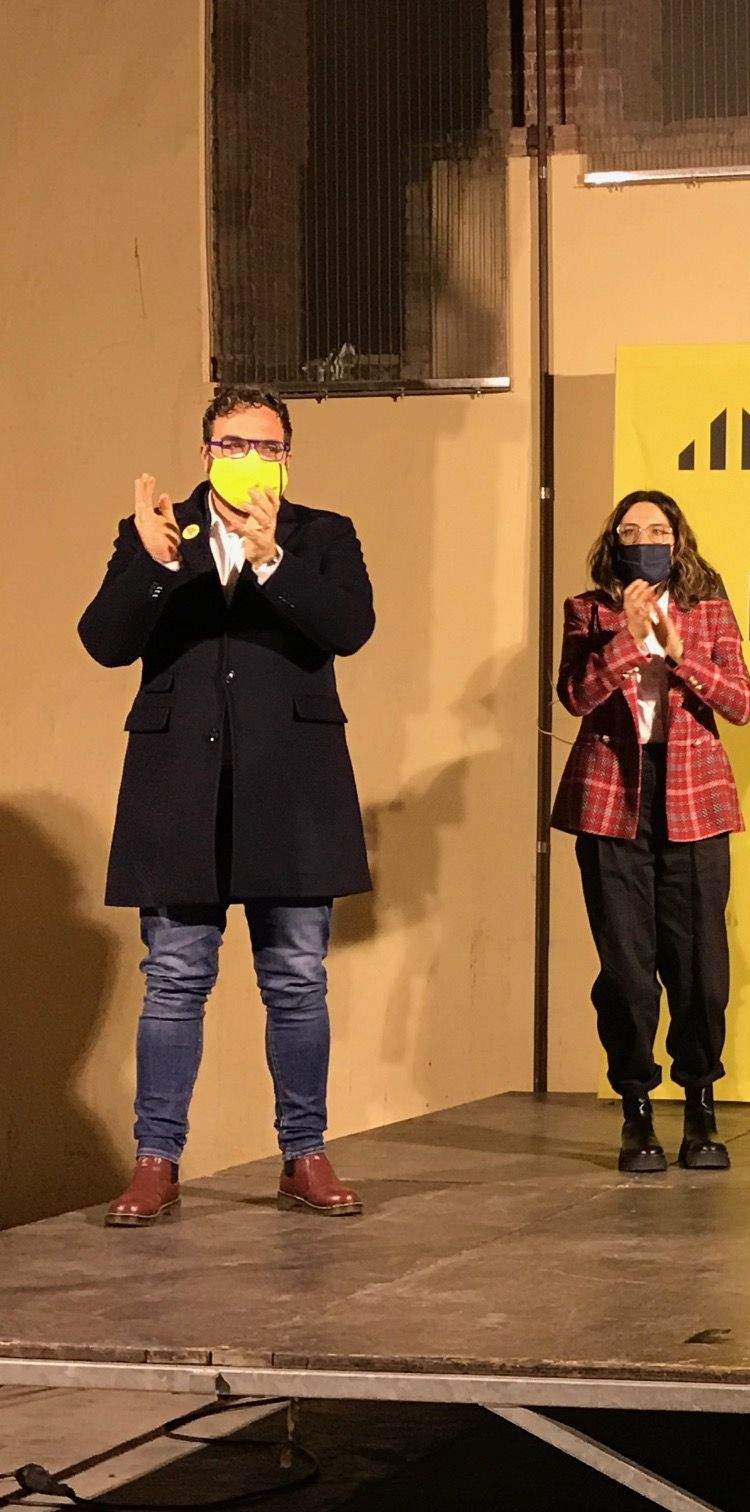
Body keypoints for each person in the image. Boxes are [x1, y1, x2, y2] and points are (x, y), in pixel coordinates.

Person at [78, 387, 374, 1226]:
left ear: (288, 455)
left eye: (268, 445)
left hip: (293, 787)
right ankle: (155, 1160)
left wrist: (274, 557)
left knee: (295, 977)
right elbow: (105, 643)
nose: (251, 455)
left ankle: (304, 1154)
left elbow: (349, 627)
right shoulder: (159, 534)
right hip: (181, 787)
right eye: (233, 441)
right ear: (206, 451)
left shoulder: (324, 534)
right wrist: (153, 561)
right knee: (173, 979)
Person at [553, 490, 750, 1173]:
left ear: (678, 540)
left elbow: (742, 702)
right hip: (612, 807)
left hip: (695, 808)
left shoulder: (709, 607)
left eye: (658, 529)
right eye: (631, 529)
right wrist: (624, 644)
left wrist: (678, 654)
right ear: (614, 541)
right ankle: (636, 1108)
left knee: (700, 972)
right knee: (630, 974)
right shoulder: (587, 610)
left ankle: (701, 1104)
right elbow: (575, 697)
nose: (645, 538)